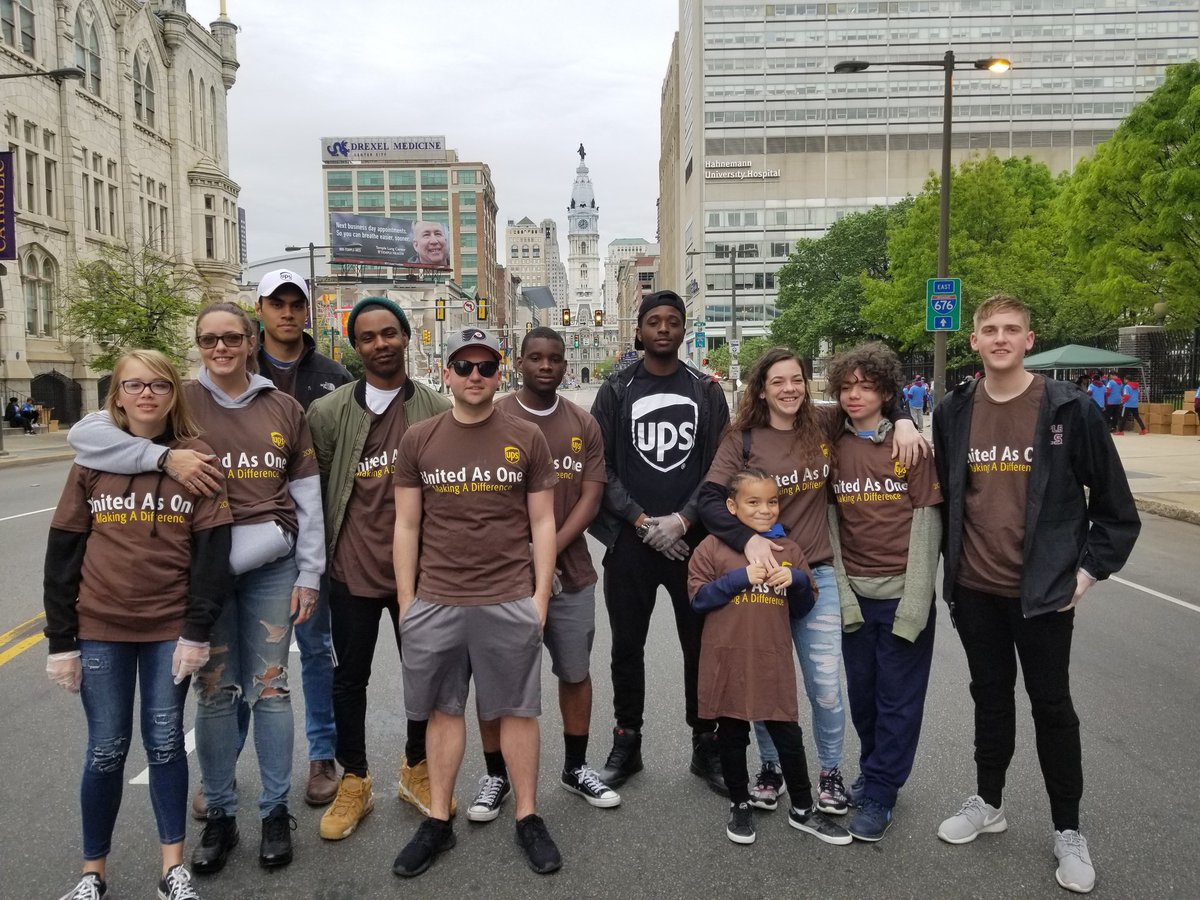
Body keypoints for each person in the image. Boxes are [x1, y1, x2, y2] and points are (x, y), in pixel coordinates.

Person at [68, 302, 326, 875]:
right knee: (215, 692)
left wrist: (310, 571)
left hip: (270, 563)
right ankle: (222, 816)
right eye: (208, 340)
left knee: (272, 689)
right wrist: (163, 454)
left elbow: (306, 494)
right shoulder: (178, 399)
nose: (220, 349)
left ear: (251, 340)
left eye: (231, 338)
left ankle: (275, 812)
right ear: (198, 345)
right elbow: (84, 436)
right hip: (199, 569)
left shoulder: (282, 405)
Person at [932, 294, 1140, 895]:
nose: (1000, 338)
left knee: (1052, 707)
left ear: (1029, 339)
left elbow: (1116, 512)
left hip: (1044, 595)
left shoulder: (1070, 409)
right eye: (989, 329)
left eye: (1012, 330)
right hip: (975, 589)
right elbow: (946, 494)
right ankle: (988, 802)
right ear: (973, 341)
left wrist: (1087, 573)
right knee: (989, 698)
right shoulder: (954, 410)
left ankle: (1068, 830)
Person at [696, 347, 925, 815]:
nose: (789, 389)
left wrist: (904, 418)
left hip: (815, 574)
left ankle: (830, 773)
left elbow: (870, 396)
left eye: (796, 379)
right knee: (766, 682)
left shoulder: (822, 423)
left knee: (825, 685)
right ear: (761, 387)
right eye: (778, 381)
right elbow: (709, 499)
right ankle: (771, 767)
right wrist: (748, 540)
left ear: (807, 383)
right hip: (760, 578)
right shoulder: (743, 438)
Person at [45, 349, 233, 900]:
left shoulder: (197, 458)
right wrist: (62, 642)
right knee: (105, 747)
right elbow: (63, 553)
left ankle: (172, 868)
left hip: (168, 631)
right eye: (133, 385)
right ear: (117, 396)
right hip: (100, 626)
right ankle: (92, 873)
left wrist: (197, 631)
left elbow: (212, 552)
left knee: (166, 742)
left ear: (174, 393)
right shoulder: (91, 463)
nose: (146, 394)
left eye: (157, 385)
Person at [391, 327, 562, 877]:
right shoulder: (419, 438)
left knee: (516, 711)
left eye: (485, 367)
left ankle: (528, 815)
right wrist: (407, 602)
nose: (474, 377)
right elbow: (406, 525)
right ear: (446, 372)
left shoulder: (526, 438)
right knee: (443, 711)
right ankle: (438, 820)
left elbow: (543, 521)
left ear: (499, 373)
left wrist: (538, 598)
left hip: (507, 596)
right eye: (463, 367)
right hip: (437, 599)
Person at [306, 297, 451, 841]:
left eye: (389, 333)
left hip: (422, 574)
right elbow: (313, 490)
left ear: (406, 337)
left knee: (425, 676)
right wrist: (312, 565)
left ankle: (416, 768)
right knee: (350, 678)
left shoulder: (436, 408)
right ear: (355, 346)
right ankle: (355, 779)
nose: (380, 344)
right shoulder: (328, 413)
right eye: (367, 337)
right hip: (352, 570)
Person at [465, 326, 618, 823]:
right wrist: (522, 550)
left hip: (571, 574)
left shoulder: (582, 422)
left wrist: (546, 548)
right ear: (520, 362)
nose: (546, 366)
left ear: (566, 364)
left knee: (575, 673)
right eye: (536, 358)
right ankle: (496, 776)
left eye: (555, 359)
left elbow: (592, 497)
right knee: (497, 681)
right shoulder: (496, 415)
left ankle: (575, 768)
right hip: (504, 576)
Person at [587, 290, 730, 792]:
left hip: (692, 546)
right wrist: (643, 522)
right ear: (640, 330)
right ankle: (628, 742)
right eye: (654, 321)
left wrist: (685, 521)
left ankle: (705, 743)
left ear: (683, 329)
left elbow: (721, 465)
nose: (663, 328)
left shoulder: (706, 392)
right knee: (627, 647)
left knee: (700, 646)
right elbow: (600, 466)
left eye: (672, 321)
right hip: (632, 545)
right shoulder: (617, 388)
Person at [689, 468, 852, 848]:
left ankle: (801, 808)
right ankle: (740, 802)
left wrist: (793, 579)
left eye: (772, 501)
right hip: (726, 660)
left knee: (788, 737)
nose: (765, 509)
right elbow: (699, 599)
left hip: (771, 661)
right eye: (753, 502)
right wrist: (742, 576)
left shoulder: (789, 551)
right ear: (731, 506)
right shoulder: (711, 548)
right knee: (731, 736)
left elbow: (804, 604)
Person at [824, 343, 942, 843]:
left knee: (898, 700)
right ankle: (874, 769)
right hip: (854, 595)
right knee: (865, 698)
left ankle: (881, 792)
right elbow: (828, 521)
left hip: (902, 597)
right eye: (847, 386)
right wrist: (845, 596)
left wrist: (916, 602)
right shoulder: (832, 442)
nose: (855, 395)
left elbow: (927, 521)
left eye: (866, 386)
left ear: (887, 392)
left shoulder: (911, 447)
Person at [253, 268, 353, 808]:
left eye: (296, 303)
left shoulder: (333, 376)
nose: (287, 312)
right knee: (242, 654)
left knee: (316, 650)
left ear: (308, 310)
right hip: (244, 540)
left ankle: (322, 756)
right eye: (277, 303)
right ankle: (221, 764)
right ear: (261, 308)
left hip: (315, 537)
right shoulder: (232, 370)